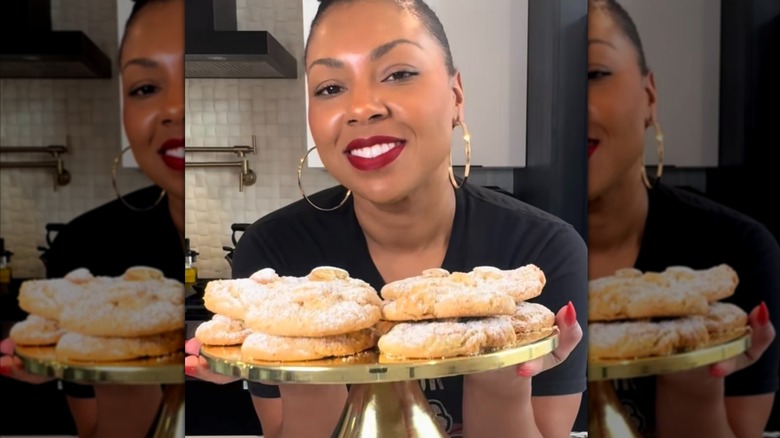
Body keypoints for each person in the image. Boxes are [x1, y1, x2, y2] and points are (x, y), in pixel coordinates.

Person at [185, 0, 587, 437]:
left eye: (398, 74)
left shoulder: (542, 253)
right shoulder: (275, 257)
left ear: (455, 97)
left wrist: (500, 369)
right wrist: (307, 361)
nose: (362, 108)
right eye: (330, 88)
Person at [587, 0, 779, 436]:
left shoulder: (734, 253)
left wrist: (694, 372)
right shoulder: (505, 254)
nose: (570, 102)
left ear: (649, 97)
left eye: (595, 74)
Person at [0, 0, 185, 437]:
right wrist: (115, 363)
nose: (175, 108)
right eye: (144, 87)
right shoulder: (89, 247)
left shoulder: (277, 248)